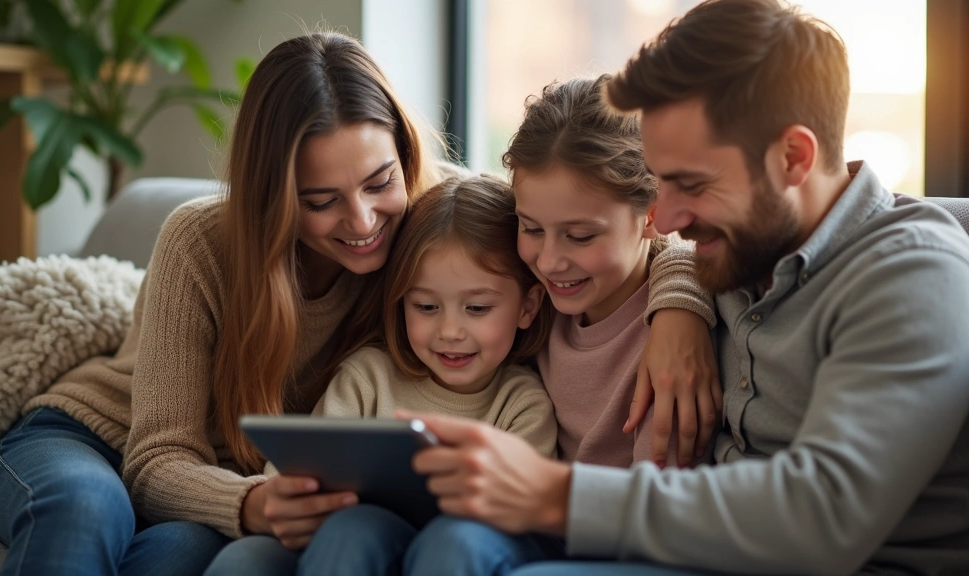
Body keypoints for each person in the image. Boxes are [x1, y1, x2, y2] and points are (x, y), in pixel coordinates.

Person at [0, 30, 719, 576]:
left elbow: (596, 211)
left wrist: (678, 301)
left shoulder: (433, 224)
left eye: (377, 183)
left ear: (403, 155)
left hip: (240, 488)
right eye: (320, 201)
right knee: (84, 511)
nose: (363, 223)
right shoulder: (202, 241)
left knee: (180, 557)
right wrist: (253, 507)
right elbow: (158, 454)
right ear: (273, 195)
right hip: (101, 438)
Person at [401, 1, 969, 575]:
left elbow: (824, 513)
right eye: (660, 181)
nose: (665, 218)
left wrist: (556, 493)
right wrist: (678, 304)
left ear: (794, 157)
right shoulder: (743, 249)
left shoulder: (912, 274)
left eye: (690, 184)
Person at [400, 74, 716, 576]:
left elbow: (662, 513)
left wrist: (681, 294)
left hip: (633, 539)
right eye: (531, 228)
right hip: (542, 530)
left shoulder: (669, 336)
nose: (549, 260)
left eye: (580, 235)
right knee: (450, 545)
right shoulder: (533, 297)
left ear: (652, 214)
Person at [219, 174, 558, 576]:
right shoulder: (368, 377)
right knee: (269, 553)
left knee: (375, 531)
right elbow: (294, 478)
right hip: (345, 540)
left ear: (527, 307)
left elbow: (522, 516)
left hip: (455, 548)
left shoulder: (523, 405)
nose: (450, 331)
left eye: (477, 309)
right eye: (426, 307)